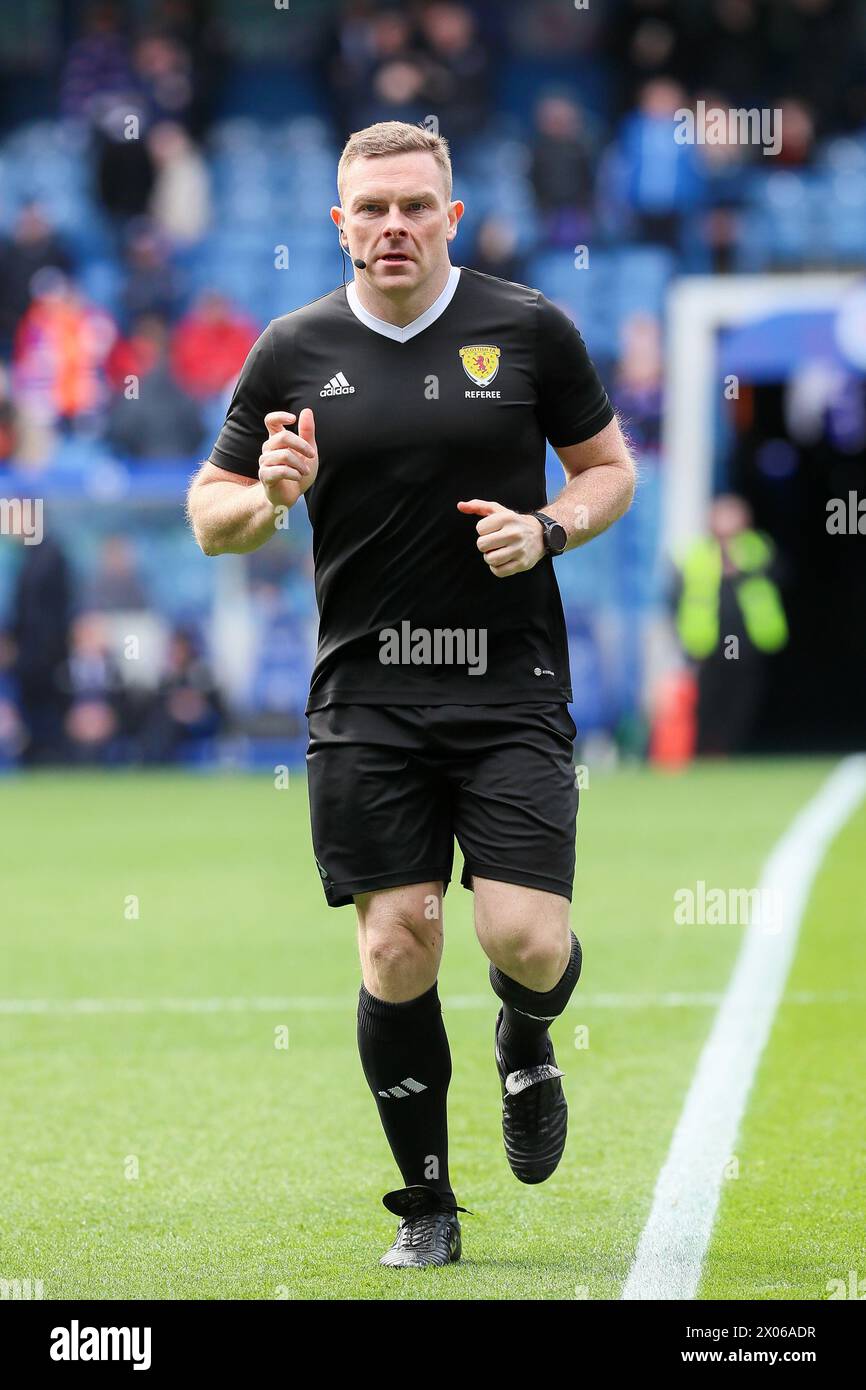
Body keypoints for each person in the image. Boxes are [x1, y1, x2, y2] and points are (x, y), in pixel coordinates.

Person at [186, 120, 635, 1269]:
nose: (394, 225)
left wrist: (547, 530)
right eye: (371, 208)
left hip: (508, 685)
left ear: (452, 216)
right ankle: (427, 1201)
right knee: (396, 948)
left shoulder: (528, 328)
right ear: (338, 224)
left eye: (414, 206)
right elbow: (209, 518)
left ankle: (524, 1037)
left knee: (525, 940)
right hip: (366, 698)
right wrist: (268, 497)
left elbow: (607, 472)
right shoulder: (291, 348)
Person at [674, 494, 788, 755]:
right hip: (707, 643)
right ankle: (708, 751)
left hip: (748, 642)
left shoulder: (758, 548)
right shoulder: (697, 552)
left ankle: (733, 748)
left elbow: (779, 575)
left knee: (743, 699)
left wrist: (741, 567)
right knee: (708, 700)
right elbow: (677, 594)